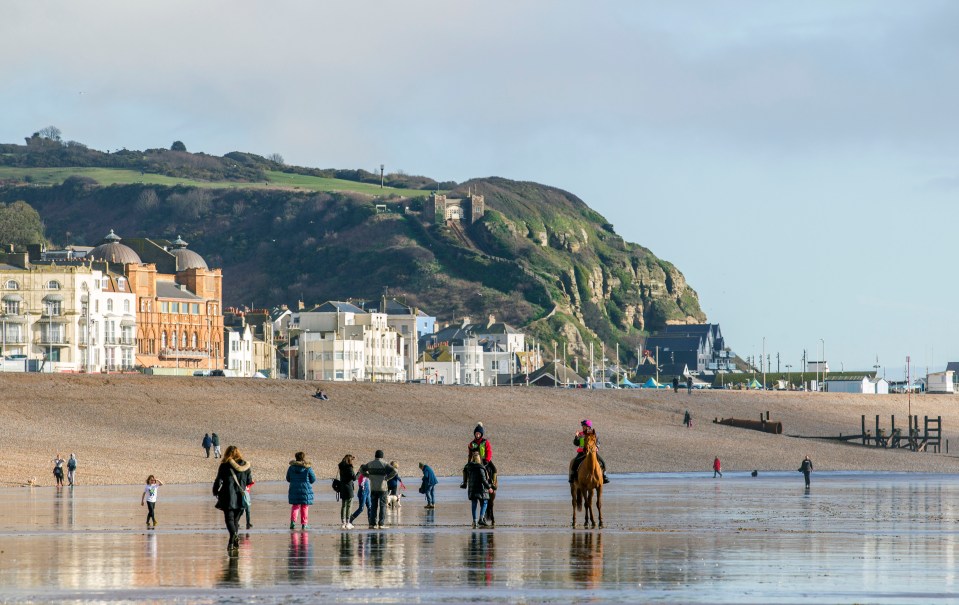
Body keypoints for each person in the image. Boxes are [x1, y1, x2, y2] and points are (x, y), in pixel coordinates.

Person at [213, 445, 253, 553]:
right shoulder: (246, 465)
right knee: (235, 520)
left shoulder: (224, 465)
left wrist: (215, 491)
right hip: (241, 496)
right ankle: (233, 541)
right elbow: (249, 481)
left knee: (229, 519)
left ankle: (233, 537)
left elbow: (218, 481)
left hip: (228, 496)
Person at [360, 450, 397, 529]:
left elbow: (361, 469)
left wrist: (368, 476)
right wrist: (387, 478)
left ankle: (373, 524)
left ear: (375, 456)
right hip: (383, 488)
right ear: (382, 456)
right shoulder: (384, 464)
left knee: (373, 506)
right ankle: (381, 523)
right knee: (382, 506)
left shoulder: (370, 464)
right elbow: (395, 471)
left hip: (373, 488)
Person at [570, 420, 610, 484]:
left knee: (603, 462)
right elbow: (576, 443)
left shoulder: (594, 434)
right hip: (582, 453)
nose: (583, 427)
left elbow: (598, 442)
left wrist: (597, 446)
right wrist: (576, 437)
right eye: (582, 426)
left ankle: (604, 476)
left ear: (588, 427)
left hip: (592, 453)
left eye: (584, 426)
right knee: (575, 463)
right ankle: (572, 477)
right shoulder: (580, 434)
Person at [286, 451, 316, 530]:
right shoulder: (307, 467)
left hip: (294, 489)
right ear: (303, 457)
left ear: (296, 457)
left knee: (295, 506)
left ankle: (292, 522)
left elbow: (288, 478)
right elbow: (313, 479)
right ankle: (304, 524)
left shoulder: (291, 467)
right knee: (304, 507)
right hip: (305, 490)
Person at [462, 423, 496, 488]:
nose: (477, 435)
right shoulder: (471, 444)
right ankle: (465, 483)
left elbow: (489, 451)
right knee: (465, 469)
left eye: (479, 434)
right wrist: (469, 462)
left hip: (485, 459)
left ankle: (493, 483)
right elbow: (470, 454)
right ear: (474, 434)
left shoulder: (486, 442)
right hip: (474, 460)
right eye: (476, 433)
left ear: (481, 434)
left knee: (494, 469)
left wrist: (487, 460)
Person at [466, 451, 493, 528]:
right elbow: (484, 480)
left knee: (474, 504)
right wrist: (489, 487)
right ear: (479, 459)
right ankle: (481, 519)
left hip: (472, 489)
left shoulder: (469, 467)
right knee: (485, 502)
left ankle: (474, 521)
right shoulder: (481, 468)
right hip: (480, 489)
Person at [338, 454, 357, 529]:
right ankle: (348, 522)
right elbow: (354, 478)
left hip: (342, 487)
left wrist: (352, 458)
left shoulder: (341, 466)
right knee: (349, 505)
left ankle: (343, 522)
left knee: (343, 505)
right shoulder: (349, 468)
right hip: (349, 488)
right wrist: (359, 473)